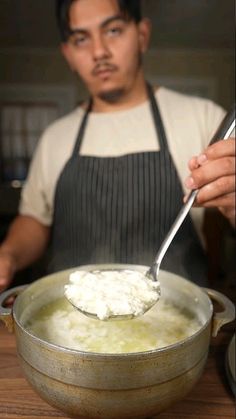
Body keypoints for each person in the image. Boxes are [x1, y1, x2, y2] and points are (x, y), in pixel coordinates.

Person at [0, 0, 235, 292]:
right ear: (68, 54)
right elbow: (34, 219)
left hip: (179, 325)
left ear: (142, 35)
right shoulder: (55, 137)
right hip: (69, 325)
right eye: (81, 38)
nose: (99, 51)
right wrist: (7, 254)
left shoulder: (204, 119)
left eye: (113, 30)